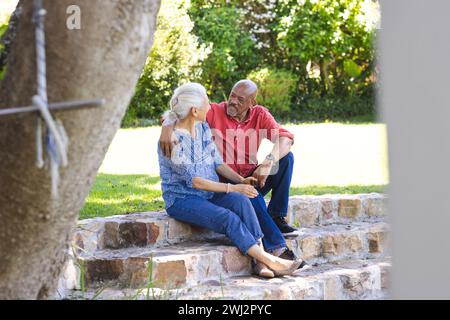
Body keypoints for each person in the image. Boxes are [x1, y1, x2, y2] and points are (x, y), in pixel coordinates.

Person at [158, 82, 303, 278]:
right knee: (233, 213)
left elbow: (217, 162)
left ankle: (261, 256)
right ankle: (271, 257)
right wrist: (166, 127)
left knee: (249, 194)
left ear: (252, 102)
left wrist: (243, 181)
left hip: (220, 186)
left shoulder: (202, 127)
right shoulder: (178, 138)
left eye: (240, 99)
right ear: (195, 110)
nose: (229, 102)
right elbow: (196, 181)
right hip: (188, 196)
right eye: (231, 95)